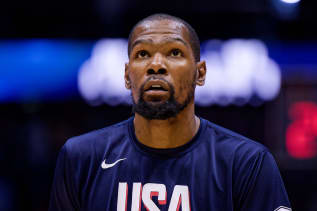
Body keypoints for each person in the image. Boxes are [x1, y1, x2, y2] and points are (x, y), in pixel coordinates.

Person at [49, 13, 291, 211]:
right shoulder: (81, 158)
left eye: (174, 52)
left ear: (201, 73)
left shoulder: (247, 163)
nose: (156, 65)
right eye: (142, 54)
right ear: (126, 75)